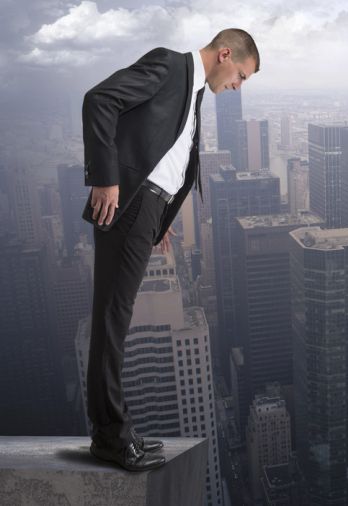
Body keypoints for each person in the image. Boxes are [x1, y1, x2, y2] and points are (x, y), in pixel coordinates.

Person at [82, 28, 259, 472]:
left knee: (115, 320)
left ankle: (118, 432)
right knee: (112, 321)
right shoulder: (169, 66)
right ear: (224, 54)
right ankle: (109, 437)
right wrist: (105, 179)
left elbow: (163, 152)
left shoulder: (193, 89)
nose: (237, 86)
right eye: (241, 75)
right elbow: (99, 100)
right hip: (130, 205)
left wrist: (160, 219)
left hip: (147, 209)